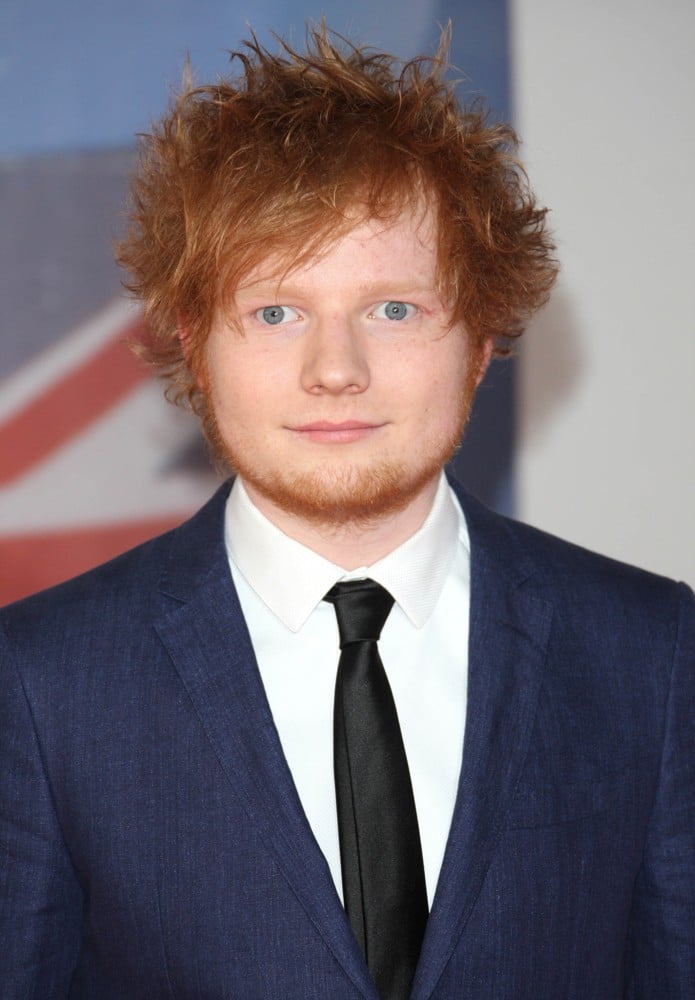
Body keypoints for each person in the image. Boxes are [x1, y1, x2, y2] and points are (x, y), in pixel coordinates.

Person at [1, 26, 693, 1000]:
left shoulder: (650, 654)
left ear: (481, 337)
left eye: (392, 309)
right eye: (275, 311)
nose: (335, 369)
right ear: (193, 342)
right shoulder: (38, 683)